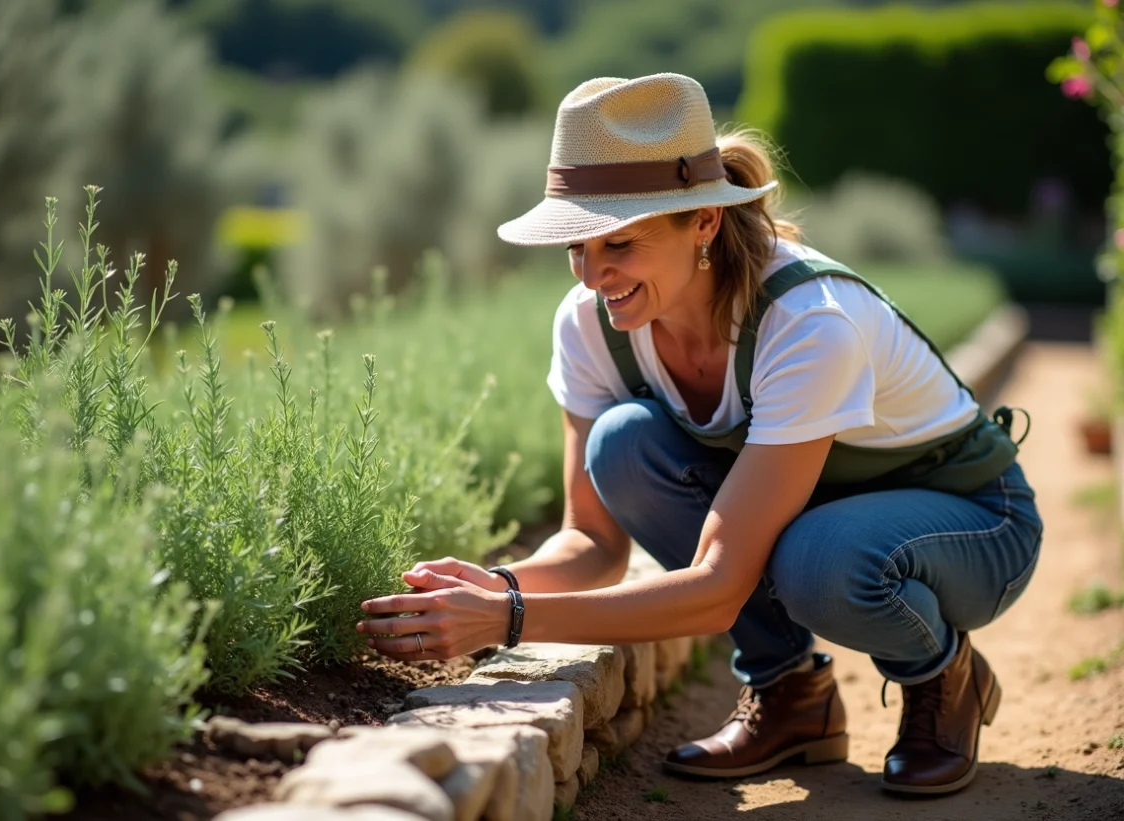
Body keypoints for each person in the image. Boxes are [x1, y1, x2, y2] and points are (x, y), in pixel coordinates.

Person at [356, 73, 1044, 795]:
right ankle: (792, 698)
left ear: (705, 223)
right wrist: (490, 584)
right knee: (623, 441)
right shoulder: (590, 324)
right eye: (576, 248)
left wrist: (505, 617)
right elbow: (591, 546)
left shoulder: (806, 323)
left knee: (820, 561)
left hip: (973, 521)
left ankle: (942, 676)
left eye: (619, 243)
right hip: (826, 517)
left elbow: (718, 589)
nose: (593, 276)